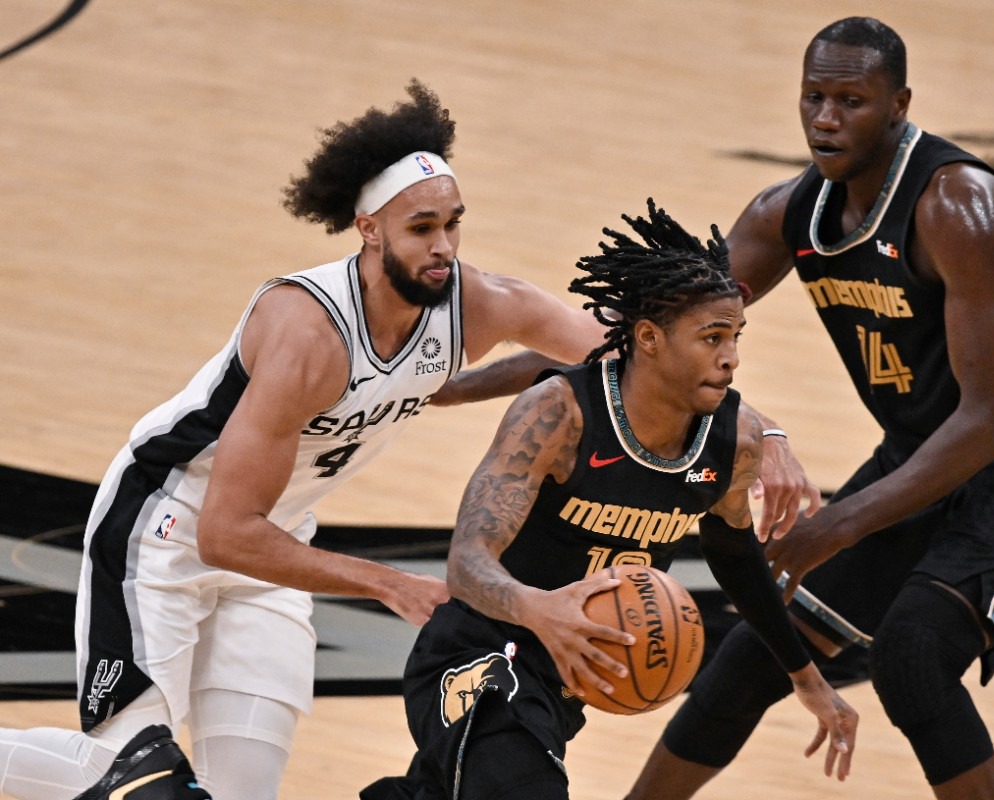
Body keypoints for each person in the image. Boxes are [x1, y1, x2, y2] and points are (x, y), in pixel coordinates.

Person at [0, 79, 614, 800]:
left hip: (276, 548)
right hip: (165, 536)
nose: (443, 246)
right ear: (369, 228)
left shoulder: (474, 303)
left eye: (453, 223)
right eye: (421, 228)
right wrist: (386, 582)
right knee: (131, 781)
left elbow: (626, 354)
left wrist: (750, 430)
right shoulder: (307, 333)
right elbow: (225, 534)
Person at [623, 16, 994, 800]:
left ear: (898, 105)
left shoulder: (957, 206)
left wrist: (837, 523)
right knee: (758, 647)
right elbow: (666, 327)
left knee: (914, 655)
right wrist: (517, 356)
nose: (826, 119)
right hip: (929, 444)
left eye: (851, 101)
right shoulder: (785, 214)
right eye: (814, 97)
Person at [360, 201, 858, 800]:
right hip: (481, 659)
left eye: (735, 337)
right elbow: (467, 564)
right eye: (711, 338)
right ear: (648, 338)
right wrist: (540, 609)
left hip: (562, 686)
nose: (731, 357)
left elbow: (734, 556)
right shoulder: (559, 414)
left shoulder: (735, 441)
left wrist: (804, 674)